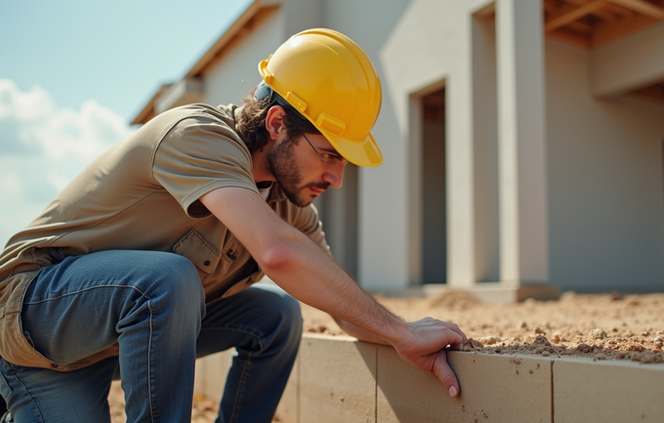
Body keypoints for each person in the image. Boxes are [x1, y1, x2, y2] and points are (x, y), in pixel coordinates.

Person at [0, 28, 466, 422]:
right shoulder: (197, 135)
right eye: (328, 155)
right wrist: (402, 332)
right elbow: (278, 253)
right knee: (166, 279)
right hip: (38, 319)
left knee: (277, 317)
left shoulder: (288, 204)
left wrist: (401, 335)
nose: (337, 179)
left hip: (109, 342)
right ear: (278, 122)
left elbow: (339, 302)